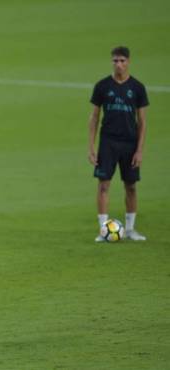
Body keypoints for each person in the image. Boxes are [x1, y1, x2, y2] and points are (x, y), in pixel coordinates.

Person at [88, 46, 149, 242]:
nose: (119, 64)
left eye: (122, 61)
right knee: (103, 185)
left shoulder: (137, 88)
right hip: (108, 142)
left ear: (128, 62)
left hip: (129, 143)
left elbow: (142, 122)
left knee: (130, 186)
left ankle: (130, 230)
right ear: (111, 62)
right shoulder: (102, 86)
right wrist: (91, 147)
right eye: (115, 61)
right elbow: (95, 118)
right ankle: (103, 231)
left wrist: (139, 150)